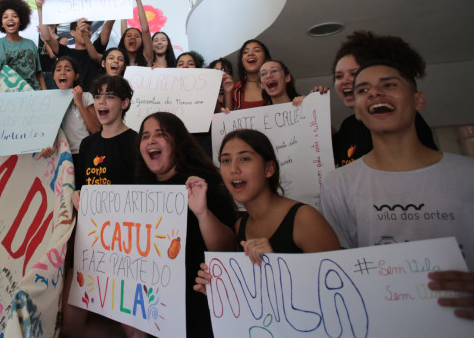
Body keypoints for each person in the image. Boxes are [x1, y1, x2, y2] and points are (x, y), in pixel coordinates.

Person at [321, 59, 474, 320]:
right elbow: (338, 270)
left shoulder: (467, 175)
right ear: (357, 110)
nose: (375, 93)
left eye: (389, 84)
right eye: (363, 90)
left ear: (418, 100)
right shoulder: (338, 184)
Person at [195, 129, 339, 289]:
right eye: (226, 161)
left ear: (269, 169)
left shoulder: (305, 219)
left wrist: (277, 265)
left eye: (245, 159)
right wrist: (221, 291)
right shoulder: (241, 226)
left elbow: (339, 287)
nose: (233, 169)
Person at [136, 112, 237, 338]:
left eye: (160, 134)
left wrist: (202, 214)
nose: (151, 141)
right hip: (156, 311)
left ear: (178, 141)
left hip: (200, 308)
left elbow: (227, 249)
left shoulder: (203, 183)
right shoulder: (139, 190)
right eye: (145, 136)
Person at [62, 75, 141, 338]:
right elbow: (83, 187)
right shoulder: (87, 144)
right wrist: (77, 197)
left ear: (125, 103)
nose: (101, 102)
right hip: (91, 243)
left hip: (125, 248)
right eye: (97, 96)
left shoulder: (136, 142)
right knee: (71, 326)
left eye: (109, 96)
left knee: (135, 328)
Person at [330, 31, 437, 167]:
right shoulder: (349, 125)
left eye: (354, 73)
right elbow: (323, 152)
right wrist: (311, 111)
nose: (345, 81)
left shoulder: (403, 121)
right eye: (338, 76)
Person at [37, 0, 114, 91]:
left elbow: (108, 27)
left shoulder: (96, 49)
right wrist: (40, 8)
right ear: (72, 33)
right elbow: (47, 37)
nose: (85, 31)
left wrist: (115, 9)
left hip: (94, 99)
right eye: (82, 29)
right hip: (70, 98)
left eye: (88, 29)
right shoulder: (66, 53)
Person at [38, 57, 100, 162]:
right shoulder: (50, 102)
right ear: (53, 76)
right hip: (63, 155)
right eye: (58, 70)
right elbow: (51, 131)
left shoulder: (86, 96)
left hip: (87, 153)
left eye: (68, 69)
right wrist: (50, 148)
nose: (62, 72)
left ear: (76, 76)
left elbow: (96, 130)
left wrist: (79, 103)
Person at [0, 0, 45, 97]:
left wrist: (45, 93)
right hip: (11, 97)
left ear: (21, 21)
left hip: (34, 94)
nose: (10, 19)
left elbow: (39, 74)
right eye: (5, 17)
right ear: (1, 23)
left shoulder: (31, 44)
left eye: (14, 16)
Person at [119, 0, 153, 67]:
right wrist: (124, 3)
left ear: (142, 41)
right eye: (129, 36)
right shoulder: (119, 64)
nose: (132, 38)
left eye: (137, 36)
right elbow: (124, 34)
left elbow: (145, 30)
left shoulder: (147, 58)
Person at [232, 39, 271, 110]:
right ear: (242, 61)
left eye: (257, 50)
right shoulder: (234, 90)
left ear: (265, 57)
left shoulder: (277, 85)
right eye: (245, 52)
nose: (250, 54)